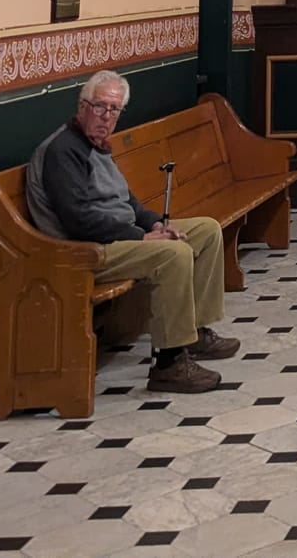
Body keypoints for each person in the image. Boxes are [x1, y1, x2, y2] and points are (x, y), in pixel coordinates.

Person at [24, 70, 240, 393]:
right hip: (86, 249)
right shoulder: (63, 151)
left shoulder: (97, 145)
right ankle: (169, 363)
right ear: (82, 106)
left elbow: (127, 201)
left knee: (206, 231)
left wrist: (154, 224)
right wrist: (141, 237)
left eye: (114, 109)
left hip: (119, 235)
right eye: (99, 106)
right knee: (173, 254)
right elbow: (77, 220)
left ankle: (194, 333)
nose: (106, 116)